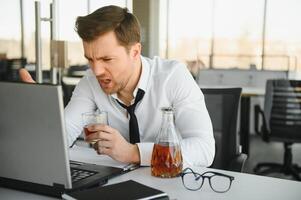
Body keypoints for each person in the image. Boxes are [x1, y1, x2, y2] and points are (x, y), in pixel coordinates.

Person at [19, 5, 215, 167]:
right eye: (90, 59)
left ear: (135, 52)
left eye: (107, 59)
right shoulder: (90, 82)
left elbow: (204, 149)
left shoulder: (173, 77)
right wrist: (43, 119)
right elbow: (64, 134)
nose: (96, 71)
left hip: (171, 182)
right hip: (115, 185)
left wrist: (134, 153)